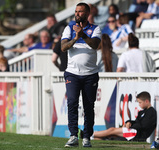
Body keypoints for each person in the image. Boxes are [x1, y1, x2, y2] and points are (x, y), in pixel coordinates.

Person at [61, 2, 101, 147]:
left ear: (87, 13)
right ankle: (73, 136)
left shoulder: (95, 29)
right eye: (76, 11)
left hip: (90, 74)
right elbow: (63, 47)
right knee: (72, 102)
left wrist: (82, 34)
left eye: (80, 11)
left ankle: (86, 137)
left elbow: (95, 45)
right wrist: (75, 38)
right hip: (72, 73)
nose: (77, 13)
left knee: (88, 106)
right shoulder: (69, 28)